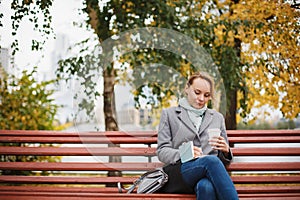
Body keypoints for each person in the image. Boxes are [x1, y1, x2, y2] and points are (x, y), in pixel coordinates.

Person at [156, 72, 239, 200]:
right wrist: (184, 153)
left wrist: (226, 152)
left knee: (206, 187)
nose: (201, 99)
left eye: (206, 95)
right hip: (180, 173)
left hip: (207, 175)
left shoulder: (217, 118)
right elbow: (162, 151)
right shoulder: (169, 114)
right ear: (187, 88)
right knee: (211, 161)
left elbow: (222, 162)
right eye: (197, 92)